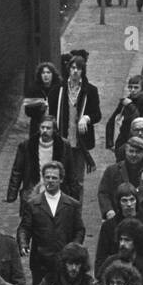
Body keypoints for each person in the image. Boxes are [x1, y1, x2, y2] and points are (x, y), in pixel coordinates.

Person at [17, 161, 85, 285]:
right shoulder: (32, 204)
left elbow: (79, 229)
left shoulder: (72, 205)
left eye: (54, 178)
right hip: (40, 260)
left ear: (61, 180)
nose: (50, 181)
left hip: (64, 261)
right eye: (47, 177)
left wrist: (73, 249)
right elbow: (25, 228)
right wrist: (23, 243)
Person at [60, 55, 102, 202]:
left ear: (83, 70)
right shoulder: (60, 90)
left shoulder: (90, 90)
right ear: (68, 69)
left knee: (78, 181)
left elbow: (97, 114)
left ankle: (76, 212)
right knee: (61, 179)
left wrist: (86, 118)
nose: (75, 71)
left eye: (79, 68)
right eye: (73, 68)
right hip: (63, 141)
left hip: (79, 143)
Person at [7, 117, 66, 205]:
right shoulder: (27, 145)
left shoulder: (63, 146)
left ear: (54, 130)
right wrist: (12, 193)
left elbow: (70, 171)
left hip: (55, 190)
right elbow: (17, 170)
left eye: (48, 128)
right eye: (42, 127)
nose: (45, 130)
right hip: (32, 189)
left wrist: (73, 195)